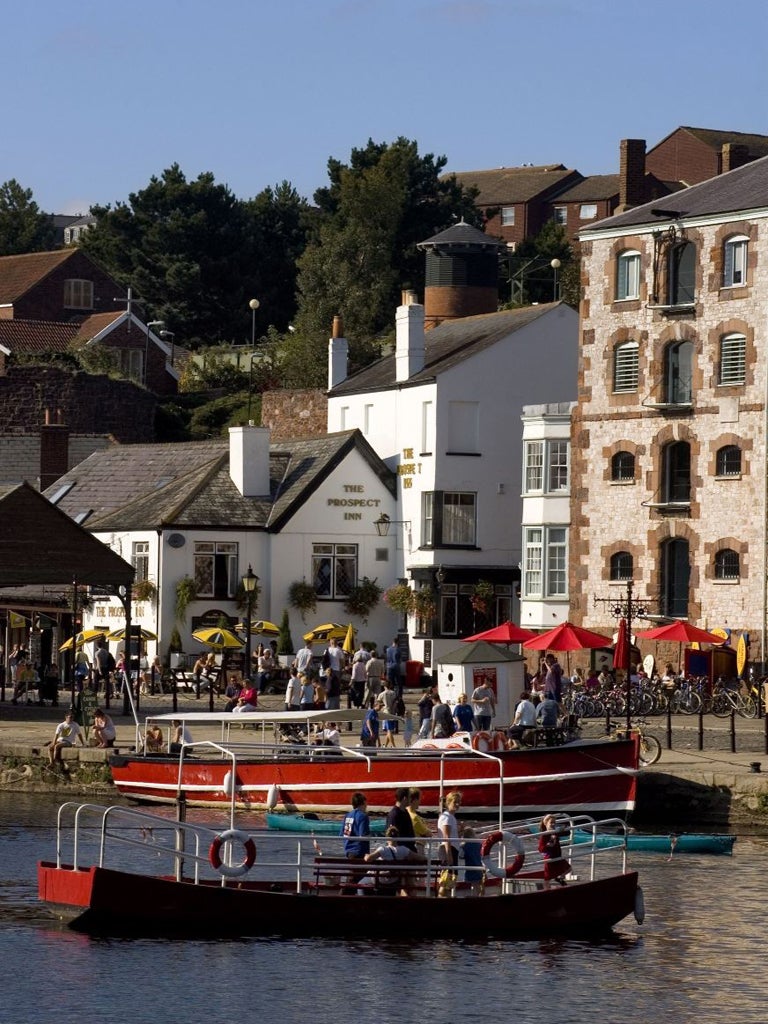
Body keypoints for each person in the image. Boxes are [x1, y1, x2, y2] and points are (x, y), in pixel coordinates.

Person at [361, 826, 423, 896]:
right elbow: (423, 859)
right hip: (394, 880)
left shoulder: (383, 849)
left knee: (360, 884)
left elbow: (368, 859)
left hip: (380, 880)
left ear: (387, 838)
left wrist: (366, 855)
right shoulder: (404, 850)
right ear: (398, 837)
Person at [437, 791, 462, 896]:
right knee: (446, 878)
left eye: (459, 802)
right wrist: (449, 854)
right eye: (455, 802)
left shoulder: (452, 817)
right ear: (448, 802)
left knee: (451, 879)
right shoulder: (446, 817)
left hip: (453, 849)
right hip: (448, 849)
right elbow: (446, 836)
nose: (457, 804)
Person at [538, 813, 570, 888]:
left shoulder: (555, 832)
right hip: (550, 858)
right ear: (546, 824)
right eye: (551, 822)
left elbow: (568, 832)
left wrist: (563, 828)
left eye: (554, 822)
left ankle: (560, 878)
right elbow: (541, 849)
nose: (553, 824)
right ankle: (547, 889)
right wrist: (549, 844)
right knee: (547, 878)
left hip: (558, 856)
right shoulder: (544, 835)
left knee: (568, 869)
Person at [341, 792, 371, 859]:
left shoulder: (347, 815)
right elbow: (363, 835)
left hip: (348, 852)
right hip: (360, 852)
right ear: (363, 802)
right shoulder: (363, 816)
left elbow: (343, 834)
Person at [462, 826, 485, 896]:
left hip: (471, 867)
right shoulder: (478, 844)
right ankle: (481, 895)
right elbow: (481, 854)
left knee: (475, 884)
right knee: (480, 883)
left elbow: (461, 855)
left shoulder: (465, 846)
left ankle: (476, 896)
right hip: (479, 865)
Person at [380, 681, 398, 747]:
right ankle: (386, 745)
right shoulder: (393, 693)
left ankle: (393, 745)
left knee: (389, 730)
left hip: (386, 712)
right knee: (389, 729)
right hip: (393, 712)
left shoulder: (382, 694)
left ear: (384, 686)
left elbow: (378, 702)